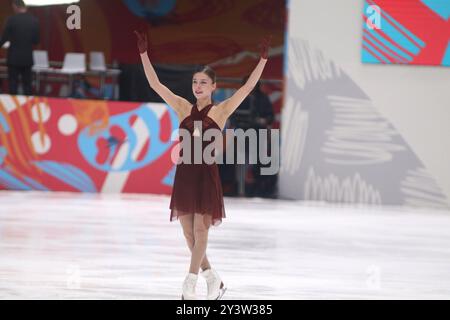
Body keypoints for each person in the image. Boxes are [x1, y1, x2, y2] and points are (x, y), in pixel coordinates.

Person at [135, 30, 271, 300]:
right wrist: (143, 54)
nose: (198, 86)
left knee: (200, 230)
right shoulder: (183, 107)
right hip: (185, 175)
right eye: (195, 81)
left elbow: (246, 88)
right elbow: (156, 85)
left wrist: (263, 60)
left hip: (206, 175)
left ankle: (190, 281)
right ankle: (213, 278)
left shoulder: (221, 111)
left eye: (203, 82)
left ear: (213, 87)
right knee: (188, 234)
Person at [0, 0, 40, 95]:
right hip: (27, 58)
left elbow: (4, 39)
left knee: (13, 84)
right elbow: (36, 40)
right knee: (27, 85)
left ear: (15, 6)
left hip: (13, 58)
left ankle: (14, 108)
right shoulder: (34, 20)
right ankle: (28, 108)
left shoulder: (11, 20)